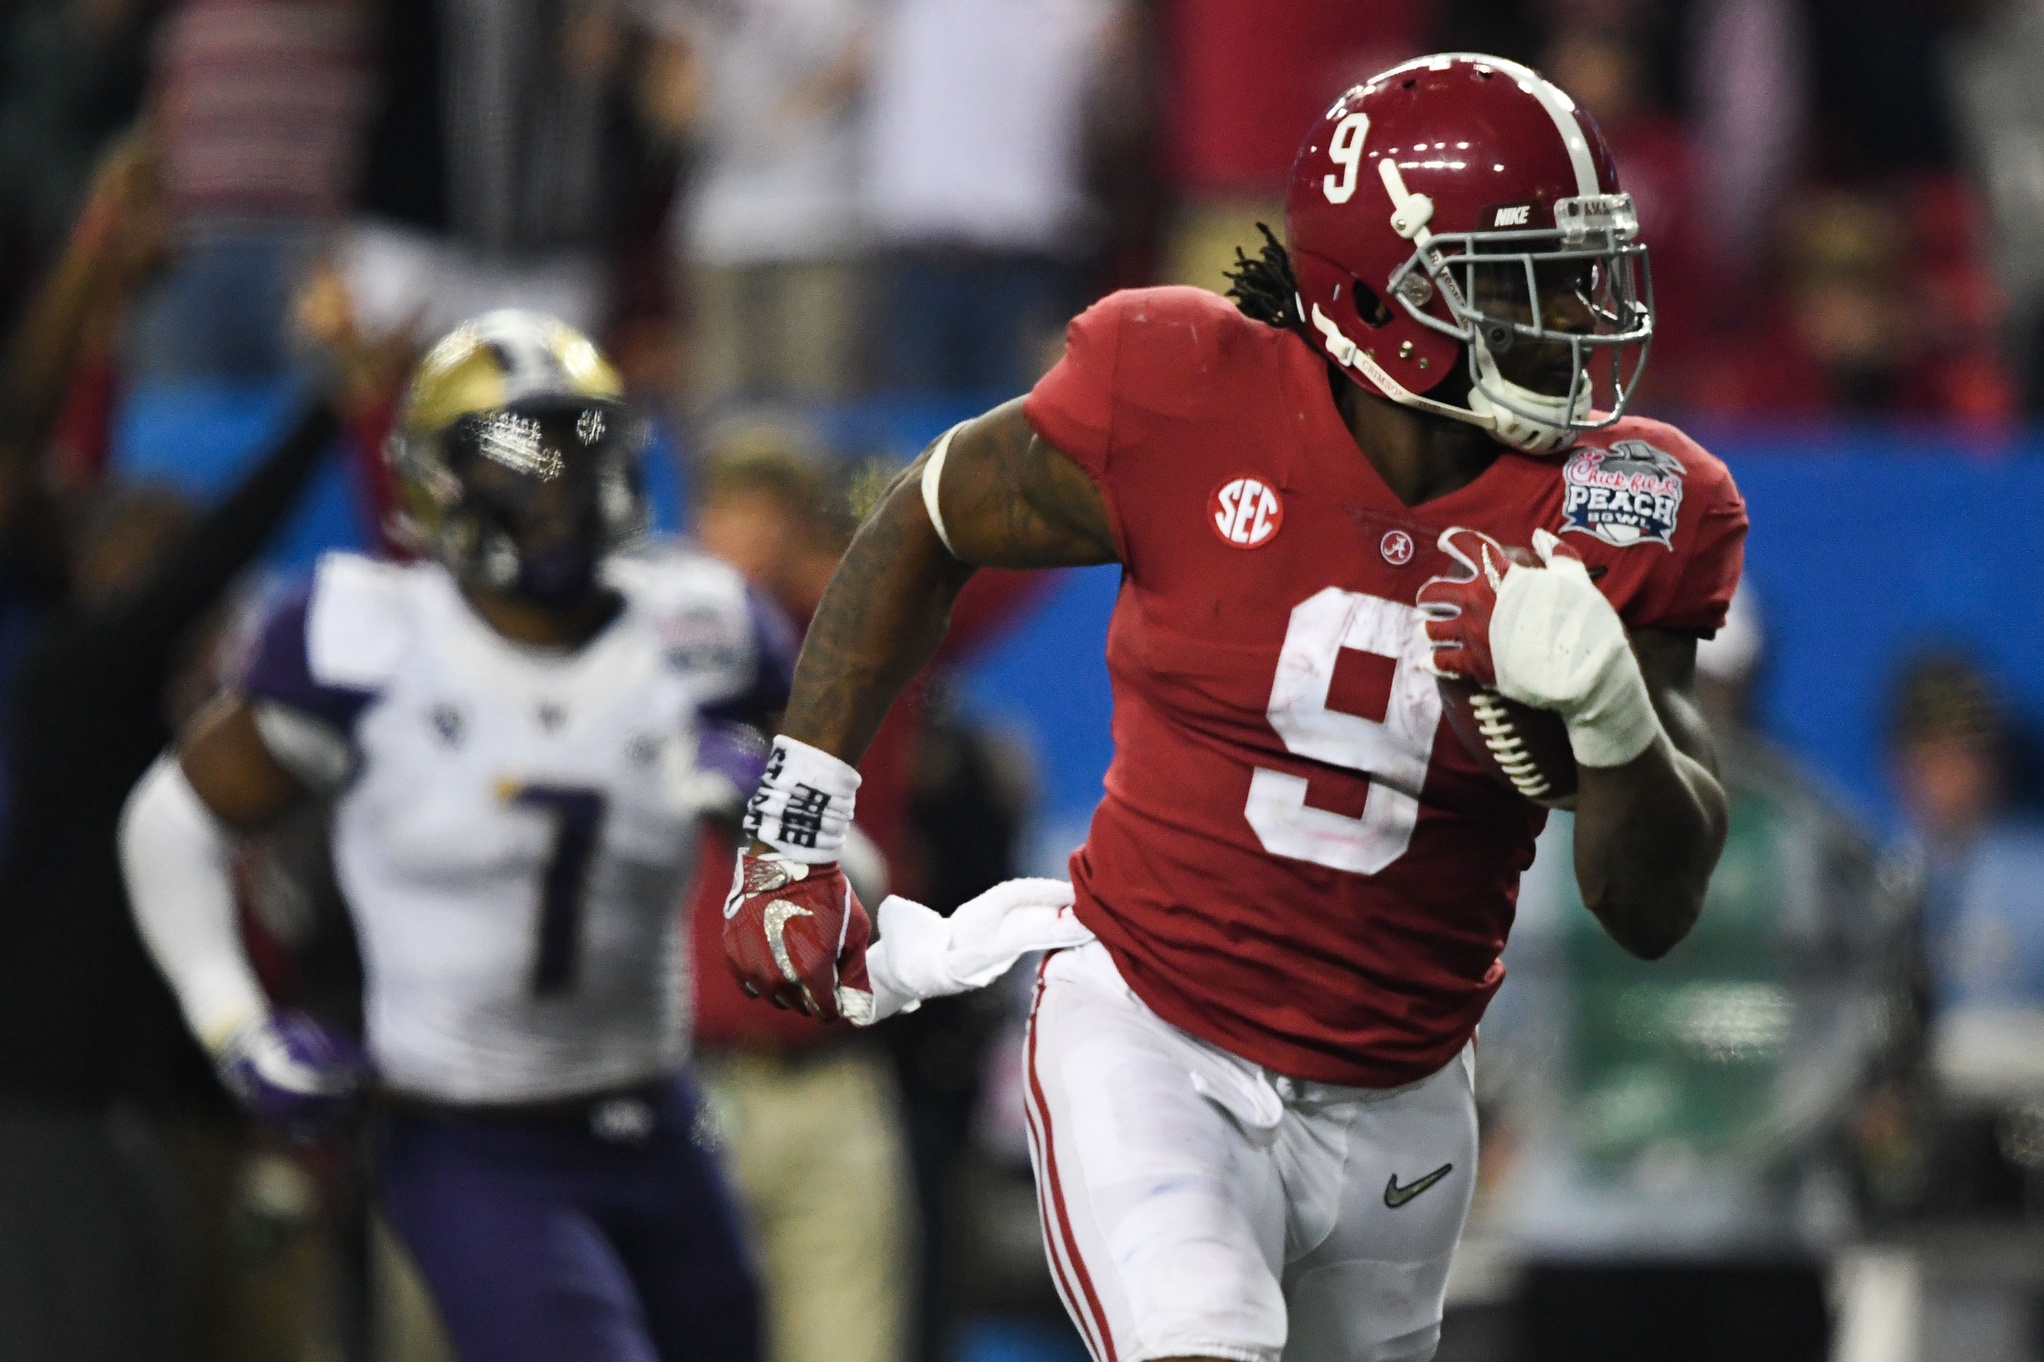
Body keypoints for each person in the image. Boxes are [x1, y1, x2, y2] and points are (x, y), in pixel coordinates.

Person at [722, 53, 1747, 1362]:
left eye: (1581, 268)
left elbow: (1650, 905)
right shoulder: (1182, 391)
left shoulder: (1628, 499)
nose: (1576, 318)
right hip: (1156, 1031)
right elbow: (922, 520)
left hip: (1404, 1090)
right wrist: (791, 824)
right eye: (1520, 280)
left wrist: (1610, 713)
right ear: (1386, 297)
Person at [120, 309, 768, 1362]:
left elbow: (851, 868)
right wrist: (233, 1021)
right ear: (434, 478)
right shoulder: (367, 636)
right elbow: (170, 821)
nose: (553, 490)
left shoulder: (701, 625)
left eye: (576, 450)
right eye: (517, 457)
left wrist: (775, 819)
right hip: (468, 1135)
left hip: (663, 1119)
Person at [1486, 585, 1905, 1362]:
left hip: (1760, 1243)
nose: (1691, 707)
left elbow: (1883, 998)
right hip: (1587, 1242)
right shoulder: (1541, 839)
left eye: (1709, 682)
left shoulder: (1811, 838)